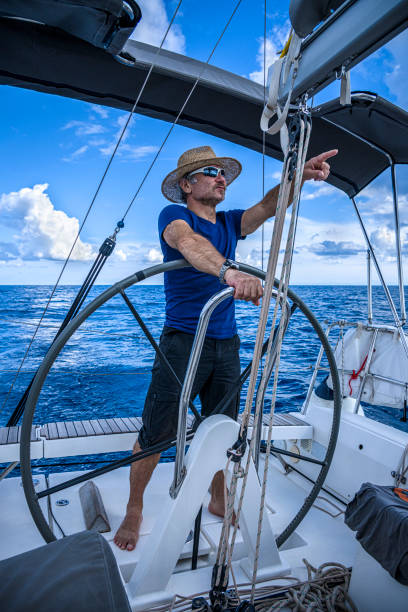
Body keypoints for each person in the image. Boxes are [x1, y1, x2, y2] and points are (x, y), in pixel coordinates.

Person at [114, 145, 337, 551]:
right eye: (211, 172)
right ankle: (134, 508)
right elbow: (188, 245)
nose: (222, 178)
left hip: (225, 344)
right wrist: (228, 271)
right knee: (157, 432)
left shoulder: (231, 223)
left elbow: (269, 205)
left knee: (221, 429)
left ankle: (217, 498)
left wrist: (298, 177)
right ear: (187, 184)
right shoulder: (174, 217)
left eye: (224, 174)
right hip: (182, 343)